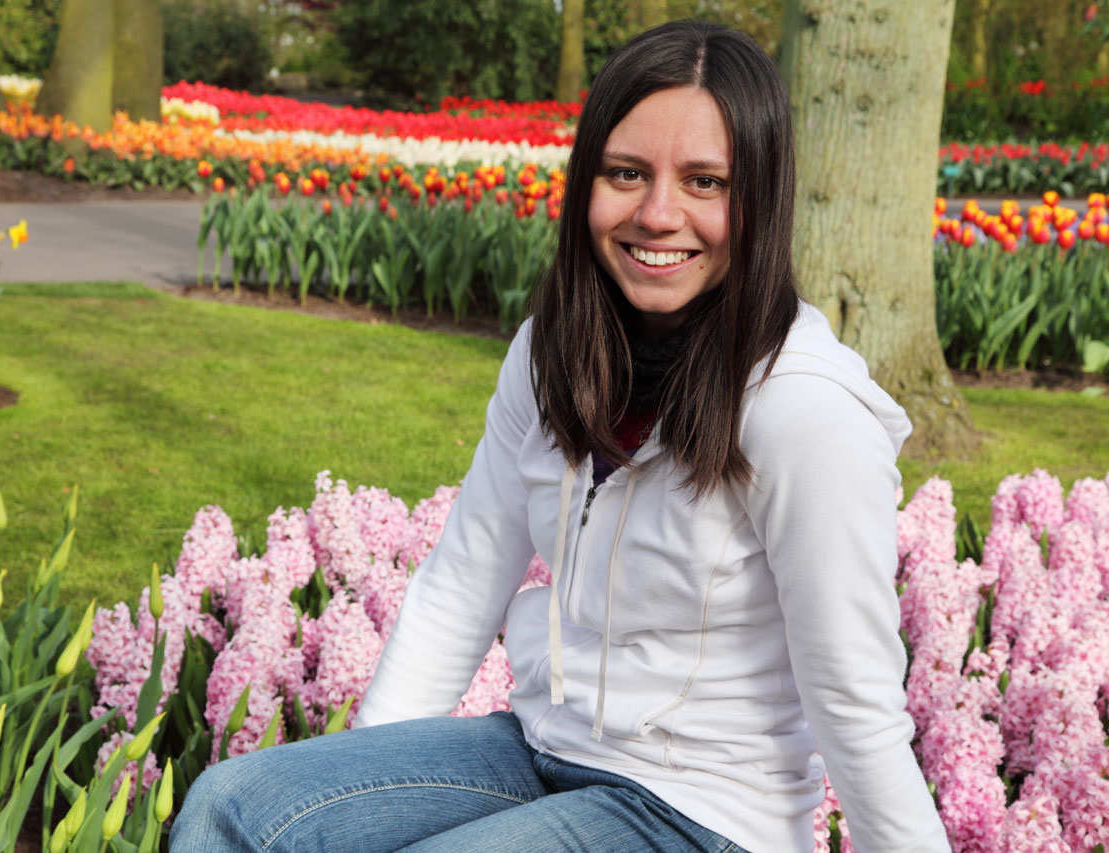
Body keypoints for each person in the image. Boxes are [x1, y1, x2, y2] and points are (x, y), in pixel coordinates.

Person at [170, 20, 950, 853]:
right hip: (543, 747)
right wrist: (365, 766)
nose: (658, 213)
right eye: (627, 173)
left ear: (761, 197)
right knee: (235, 804)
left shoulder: (804, 411)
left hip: (705, 810)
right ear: (586, 183)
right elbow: (460, 586)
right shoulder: (553, 353)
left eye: (705, 181)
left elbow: (854, 698)